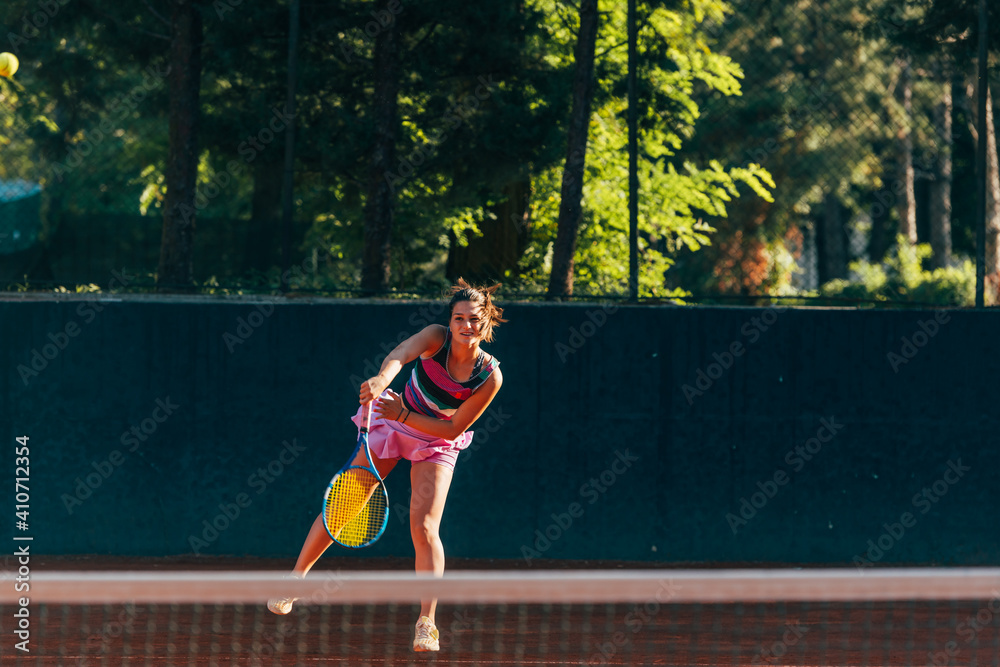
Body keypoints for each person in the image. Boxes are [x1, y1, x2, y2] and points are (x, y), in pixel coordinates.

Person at [268, 279, 506, 652]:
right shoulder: (435, 337)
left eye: (474, 319)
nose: (465, 326)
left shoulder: (490, 376)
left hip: (435, 441)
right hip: (394, 422)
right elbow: (400, 353)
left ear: (486, 321)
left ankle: (427, 622)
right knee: (343, 505)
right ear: (450, 321)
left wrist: (405, 413)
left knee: (425, 526)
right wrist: (382, 379)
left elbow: (453, 426)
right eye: (458, 318)